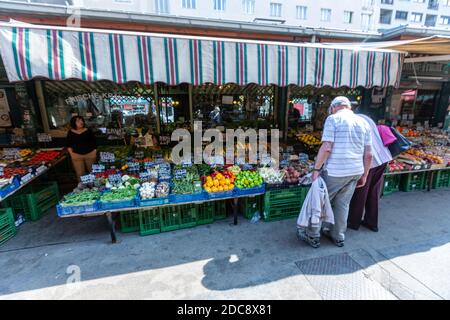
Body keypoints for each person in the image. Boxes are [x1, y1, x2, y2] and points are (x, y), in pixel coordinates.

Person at [308, 96, 373, 247]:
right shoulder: (363, 122)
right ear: (349, 107)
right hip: (355, 171)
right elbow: (369, 153)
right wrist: (365, 174)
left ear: (333, 107)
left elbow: (327, 147)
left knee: (320, 203)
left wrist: (316, 170)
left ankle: (313, 235)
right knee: (343, 204)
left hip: (336, 172)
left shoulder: (333, 119)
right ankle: (338, 236)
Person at [347, 114, 393, 232]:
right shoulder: (366, 117)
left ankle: (353, 222)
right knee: (373, 192)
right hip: (382, 157)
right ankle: (372, 223)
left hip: (370, 161)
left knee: (360, 192)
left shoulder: (350, 122)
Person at [66, 116, 97, 181]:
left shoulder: (88, 130)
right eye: (78, 121)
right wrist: (72, 154)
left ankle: (95, 186)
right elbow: (68, 144)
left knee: (93, 171)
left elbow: (94, 142)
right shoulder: (70, 132)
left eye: (81, 120)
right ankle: (82, 188)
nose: (81, 122)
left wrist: (94, 151)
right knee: (80, 173)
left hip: (90, 154)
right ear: (73, 123)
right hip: (77, 155)